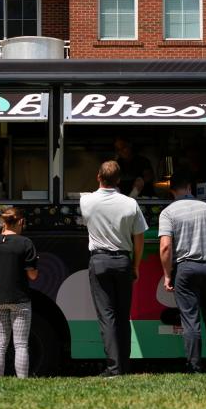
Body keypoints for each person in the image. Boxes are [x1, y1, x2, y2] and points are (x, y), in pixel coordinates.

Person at [80, 160, 147, 377]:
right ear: (119, 180)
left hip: (99, 261)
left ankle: (113, 367)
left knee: (106, 316)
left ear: (98, 176)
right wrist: (135, 265)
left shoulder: (86, 201)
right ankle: (124, 366)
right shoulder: (130, 203)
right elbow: (139, 239)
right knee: (122, 316)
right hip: (123, 261)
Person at [159, 173, 206, 373]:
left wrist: (168, 274)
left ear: (172, 191)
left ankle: (194, 366)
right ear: (189, 187)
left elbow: (165, 247)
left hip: (185, 269)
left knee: (190, 320)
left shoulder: (168, 212)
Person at [0, 208, 38, 378]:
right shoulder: (25, 243)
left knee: (0, 344)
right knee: (20, 344)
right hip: (20, 300)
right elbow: (33, 275)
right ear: (20, 222)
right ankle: (22, 381)